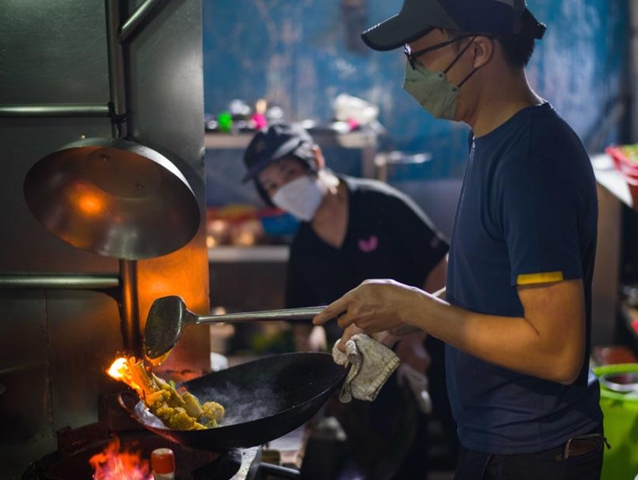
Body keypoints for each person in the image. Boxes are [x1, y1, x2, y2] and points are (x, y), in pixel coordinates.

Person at [313, 1, 605, 479]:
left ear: (478, 50)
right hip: (494, 442)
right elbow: (497, 284)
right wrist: (399, 320)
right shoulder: (490, 139)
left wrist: (412, 307)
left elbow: (557, 352)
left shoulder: (530, 162)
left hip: (534, 453)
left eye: (417, 55)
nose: (410, 74)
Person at [240, 122, 456, 479]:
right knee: (395, 466)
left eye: (288, 173)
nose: (284, 190)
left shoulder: (378, 203)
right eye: (272, 187)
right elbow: (303, 325)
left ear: (316, 158)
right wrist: (318, 382)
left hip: (433, 355)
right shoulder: (305, 247)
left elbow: (442, 266)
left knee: (463, 446)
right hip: (375, 381)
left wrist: (416, 336)